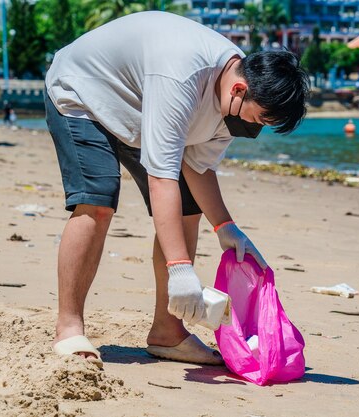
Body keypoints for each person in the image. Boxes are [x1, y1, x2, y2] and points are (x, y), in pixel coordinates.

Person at [44, 11, 309, 368]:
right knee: (98, 199)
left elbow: (198, 167)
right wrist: (180, 269)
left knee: (188, 208)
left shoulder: (231, 100)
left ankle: (167, 332)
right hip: (84, 92)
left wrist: (227, 228)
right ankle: (69, 327)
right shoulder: (182, 74)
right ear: (239, 90)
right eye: (258, 118)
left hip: (137, 110)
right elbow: (162, 176)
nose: (254, 128)